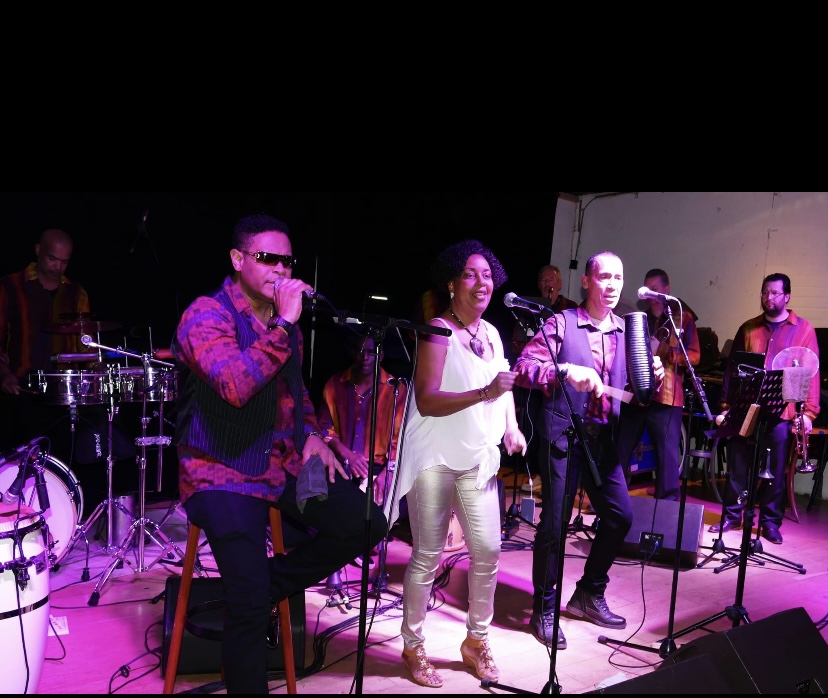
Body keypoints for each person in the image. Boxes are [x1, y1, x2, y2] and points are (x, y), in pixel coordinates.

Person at [171, 213, 388, 694]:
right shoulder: (206, 315)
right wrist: (285, 324)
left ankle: (266, 584)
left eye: (287, 262)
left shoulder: (285, 326)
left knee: (366, 522)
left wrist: (313, 433)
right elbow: (235, 385)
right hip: (220, 470)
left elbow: (297, 393)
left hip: (281, 464)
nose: (281, 270)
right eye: (268, 258)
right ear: (237, 259)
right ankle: (252, 596)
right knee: (248, 610)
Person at [391, 239, 526, 688]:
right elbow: (428, 400)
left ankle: (475, 641)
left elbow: (503, 386)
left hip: (477, 457)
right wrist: (485, 393)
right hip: (434, 455)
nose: (481, 282)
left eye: (487, 275)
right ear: (452, 284)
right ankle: (413, 644)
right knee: (428, 555)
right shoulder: (437, 330)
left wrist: (511, 427)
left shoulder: (491, 334)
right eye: (470, 274)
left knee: (488, 550)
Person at [514, 251, 664, 650]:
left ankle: (588, 593)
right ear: (587, 281)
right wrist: (563, 371)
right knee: (554, 525)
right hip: (563, 436)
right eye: (604, 277)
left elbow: (640, 393)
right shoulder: (561, 323)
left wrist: (653, 376)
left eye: (618, 278)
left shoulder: (627, 331)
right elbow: (524, 368)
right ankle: (544, 609)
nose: (612, 285)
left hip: (603, 440)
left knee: (619, 517)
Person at [709, 273, 820, 545]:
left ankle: (770, 523)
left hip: (781, 412)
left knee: (775, 469)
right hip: (747, 410)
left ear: (787, 296)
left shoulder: (804, 330)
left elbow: (812, 375)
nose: (768, 298)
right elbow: (732, 371)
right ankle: (732, 516)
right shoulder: (748, 328)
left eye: (774, 293)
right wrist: (725, 407)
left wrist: (809, 414)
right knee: (738, 464)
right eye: (764, 292)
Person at [316, 332, 409, 568]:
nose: (365, 357)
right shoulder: (335, 384)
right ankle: (350, 544)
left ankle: (361, 539)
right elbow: (324, 430)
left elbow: (400, 440)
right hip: (341, 461)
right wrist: (348, 455)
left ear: (381, 355)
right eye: (360, 351)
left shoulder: (396, 389)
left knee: (382, 504)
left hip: (378, 466)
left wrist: (387, 473)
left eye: (371, 352)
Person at [0, 228, 95, 451]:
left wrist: (95, 367)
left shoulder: (77, 293)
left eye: (64, 262)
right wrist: (4, 374)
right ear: (38, 250)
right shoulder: (10, 286)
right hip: (20, 391)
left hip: (63, 395)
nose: (58, 267)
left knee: (60, 461)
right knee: (18, 460)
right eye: (52, 259)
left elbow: (86, 346)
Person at [616, 268, 701, 500]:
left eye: (654, 289)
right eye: (647, 290)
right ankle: (611, 499)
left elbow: (695, 356)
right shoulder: (640, 318)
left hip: (667, 396)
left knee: (667, 455)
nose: (650, 295)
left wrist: (666, 352)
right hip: (637, 393)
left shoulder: (682, 318)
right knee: (622, 448)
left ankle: (667, 507)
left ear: (666, 290)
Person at [509, 263, 579, 495]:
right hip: (536, 378)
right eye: (543, 279)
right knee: (533, 425)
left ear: (559, 283)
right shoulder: (529, 308)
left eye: (551, 279)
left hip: (560, 381)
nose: (546, 283)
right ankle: (535, 473)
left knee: (555, 428)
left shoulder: (570, 309)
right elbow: (517, 340)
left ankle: (556, 477)